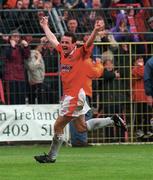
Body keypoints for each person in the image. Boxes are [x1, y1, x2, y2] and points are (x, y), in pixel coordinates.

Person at [34, 16, 127, 163]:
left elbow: (88, 43)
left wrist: (96, 31)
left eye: (66, 43)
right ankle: (112, 120)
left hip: (75, 97)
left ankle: (51, 157)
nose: (63, 44)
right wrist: (45, 25)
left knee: (58, 125)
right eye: (63, 42)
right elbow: (52, 39)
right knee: (82, 127)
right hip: (76, 96)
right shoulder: (63, 52)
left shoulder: (79, 53)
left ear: (74, 44)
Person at [132, 56, 153, 139]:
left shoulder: (146, 68)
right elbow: (142, 73)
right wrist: (142, 67)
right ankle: (139, 131)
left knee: (147, 115)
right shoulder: (134, 69)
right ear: (135, 62)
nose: (141, 62)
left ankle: (148, 130)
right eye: (139, 61)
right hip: (138, 97)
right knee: (139, 116)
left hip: (146, 97)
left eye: (142, 61)